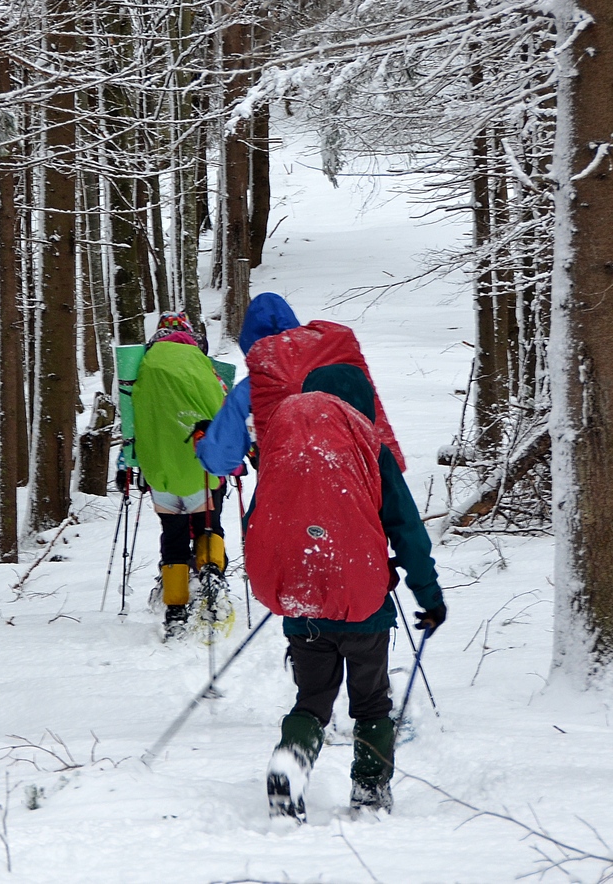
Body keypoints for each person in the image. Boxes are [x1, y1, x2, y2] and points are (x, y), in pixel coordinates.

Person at [244, 364, 444, 820]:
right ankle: (370, 790)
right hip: (364, 606)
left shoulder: (281, 453)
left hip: (302, 604)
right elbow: (407, 530)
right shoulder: (372, 450)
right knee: (371, 701)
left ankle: (288, 769)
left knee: (311, 701)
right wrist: (429, 596)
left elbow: (259, 522)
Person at [194, 293, 405, 480]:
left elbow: (219, 460)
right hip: (362, 483)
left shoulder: (250, 389)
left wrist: (204, 444)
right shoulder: (338, 369)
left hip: (291, 495)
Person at [129, 311, 229, 638]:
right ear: (189, 334)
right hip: (201, 465)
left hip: (161, 470)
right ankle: (212, 577)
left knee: (173, 537)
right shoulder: (202, 365)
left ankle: (175, 611)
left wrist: (128, 464)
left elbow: (133, 422)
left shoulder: (143, 367)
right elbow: (223, 408)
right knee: (207, 527)